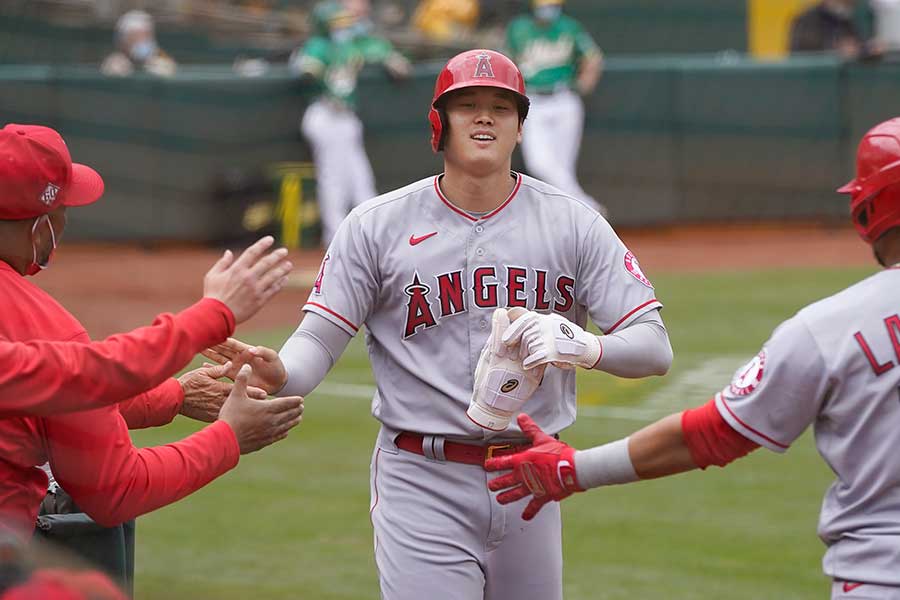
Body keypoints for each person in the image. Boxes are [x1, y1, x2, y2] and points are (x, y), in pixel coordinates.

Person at [203, 50, 672, 600]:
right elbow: (318, 339)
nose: (484, 117)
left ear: (521, 125)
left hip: (532, 478)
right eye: (466, 105)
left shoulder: (574, 223)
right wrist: (281, 371)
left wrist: (584, 344)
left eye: (501, 107)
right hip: (422, 478)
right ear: (439, 122)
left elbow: (653, 347)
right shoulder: (377, 226)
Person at [486, 117, 900, 600]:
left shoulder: (830, 327)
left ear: (866, 206)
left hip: (878, 577)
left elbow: (714, 435)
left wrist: (573, 469)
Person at [0, 123, 304, 539]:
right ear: (42, 220)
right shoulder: (44, 327)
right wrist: (229, 436)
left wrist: (176, 395)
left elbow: (55, 390)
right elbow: (117, 489)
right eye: (64, 208)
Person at [0, 235, 291, 418]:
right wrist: (214, 314)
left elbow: (76, 388)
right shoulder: (48, 322)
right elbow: (85, 382)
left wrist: (177, 394)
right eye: (58, 208)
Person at [290, 1, 411, 246]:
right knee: (333, 180)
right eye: (336, 23)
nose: (343, 27)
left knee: (360, 179)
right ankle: (334, 239)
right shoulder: (318, 45)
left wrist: (389, 56)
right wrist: (307, 66)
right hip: (324, 114)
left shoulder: (347, 45)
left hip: (345, 118)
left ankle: (373, 236)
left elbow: (373, 47)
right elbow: (306, 69)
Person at [505, 0, 605, 214]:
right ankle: (588, 208)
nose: (549, 8)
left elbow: (593, 57)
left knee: (562, 168)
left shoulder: (569, 27)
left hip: (564, 98)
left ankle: (568, 223)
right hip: (532, 101)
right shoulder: (519, 28)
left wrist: (585, 82)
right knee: (540, 163)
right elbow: (506, 60)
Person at [789, 0, 883, 59]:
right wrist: (837, 51)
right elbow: (801, 55)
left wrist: (867, 50)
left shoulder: (852, 18)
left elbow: (857, 47)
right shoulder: (807, 19)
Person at [101, 10, 177, 77]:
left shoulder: (163, 62)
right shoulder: (113, 63)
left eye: (146, 35)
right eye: (135, 36)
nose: (142, 40)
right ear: (123, 41)